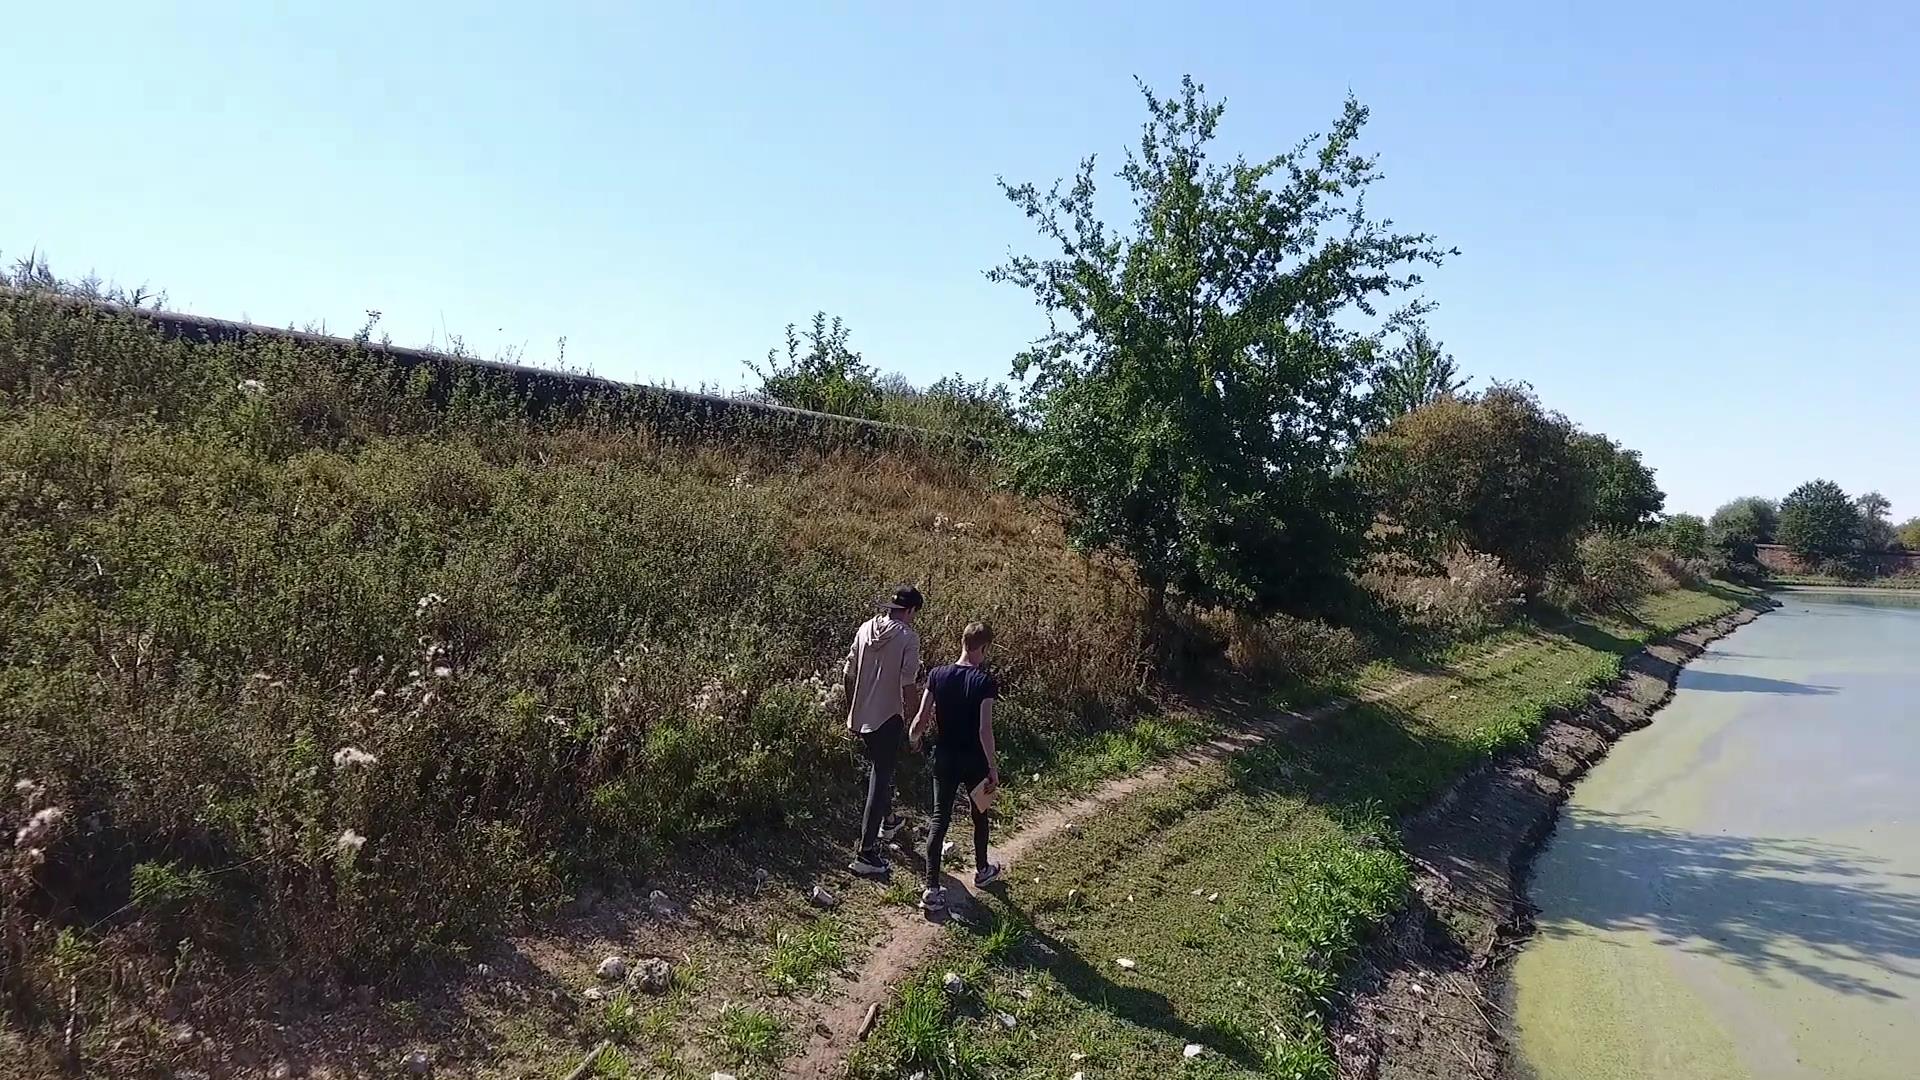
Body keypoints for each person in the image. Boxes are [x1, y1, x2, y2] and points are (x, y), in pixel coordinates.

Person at [908, 621, 1002, 910]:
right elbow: (984, 730)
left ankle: (932, 888)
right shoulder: (985, 682)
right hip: (974, 759)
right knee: (980, 814)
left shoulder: (938, 675)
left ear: (962, 642)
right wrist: (993, 767)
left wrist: (913, 738)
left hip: (945, 756)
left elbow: (923, 716)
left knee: (939, 820)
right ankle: (983, 869)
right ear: (983, 648)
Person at [842, 584, 925, 879]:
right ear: (912, 610)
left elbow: (848, 671)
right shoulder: (908, 638)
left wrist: (851, 709)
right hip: (888, 716)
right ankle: (865, 853)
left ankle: (889, 821)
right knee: (880, 776)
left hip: (862, 713)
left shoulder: (865, 628)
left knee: (880, 768)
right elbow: (908, 686)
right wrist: (916, 724)